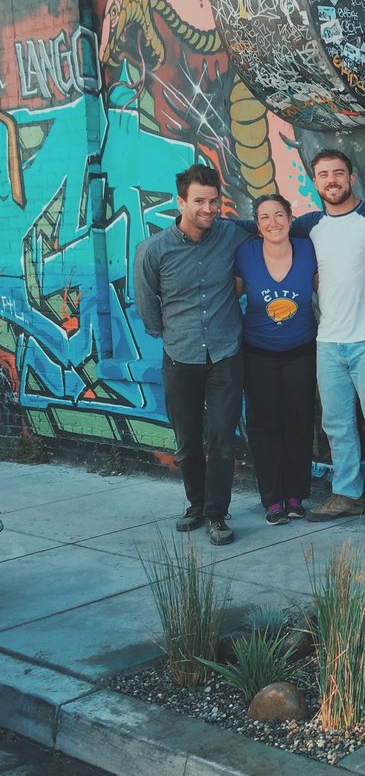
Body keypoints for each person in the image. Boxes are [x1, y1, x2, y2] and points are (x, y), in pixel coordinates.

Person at [134, 164, 254, 546]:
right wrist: (168, 332)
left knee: (221, 437)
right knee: (187, 441)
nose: (208, 208)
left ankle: (217, 514)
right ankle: (196, 505)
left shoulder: (232, 235)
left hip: (225, 354)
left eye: (214, 201)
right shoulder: (153, 250)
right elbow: (146, 302)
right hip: (180, 356)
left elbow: (273, 224)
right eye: (199, 201)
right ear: (181, 202)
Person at [297, 150, 365, 526]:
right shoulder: (308, 226)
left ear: (352, 178)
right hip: (328, 341)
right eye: (323, 175)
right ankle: (348, 493)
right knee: (336, 424)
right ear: (316, 182)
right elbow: (262, 229)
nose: (332, 180)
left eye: (338, 173)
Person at [235, 193, 318, 525]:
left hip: (301, 351)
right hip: (258, 354)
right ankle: (271, 500)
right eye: (265, 217)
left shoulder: (308, 250)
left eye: (279, 215)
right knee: (264, 427)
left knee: (299, 424)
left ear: (290, 218)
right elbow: (231, 294)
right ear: (257, 225)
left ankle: (295, 496)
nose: (273, 223)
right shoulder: (246, 254)